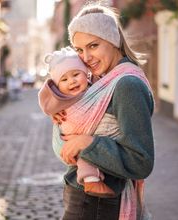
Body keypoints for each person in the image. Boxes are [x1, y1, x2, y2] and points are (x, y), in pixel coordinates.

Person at [50, 3, 155, 220]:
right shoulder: (99, 80)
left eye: (93, 45)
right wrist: (63, 112)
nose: (86, 57)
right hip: (84, 196)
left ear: (113, 40)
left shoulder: (127, 84)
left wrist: (87, 143)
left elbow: (141, 161)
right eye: (79, 49)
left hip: (98, 202)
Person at [38, 47, 120, 198]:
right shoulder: (62, 98)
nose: (72, 81)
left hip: (92, 135)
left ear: (86, 74)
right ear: (58, 86)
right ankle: (91, 180)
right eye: (64, 79)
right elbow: (53, 108)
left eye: (76, 74)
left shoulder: (96, 88)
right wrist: (54, 114)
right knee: (84, 155)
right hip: (69, 139)